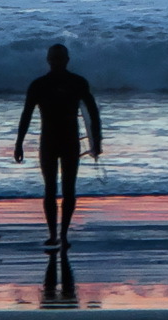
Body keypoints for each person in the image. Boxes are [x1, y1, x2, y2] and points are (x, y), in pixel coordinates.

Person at [14, 43, 102, 248]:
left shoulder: (78, 82)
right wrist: (19, 143)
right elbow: (26, 115)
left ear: (67, 60)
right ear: (48, 60)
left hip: (70, 141)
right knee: (50, 189)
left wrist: (96, 142)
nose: (57, 62)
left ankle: (64, 235)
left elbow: (93, 114)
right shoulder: (38, 85)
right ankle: (53, 234)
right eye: (54, 58)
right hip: (49, 142)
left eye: (60, 58)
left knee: (69, 189)